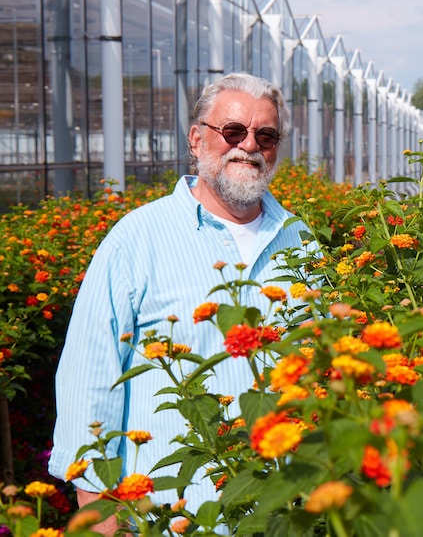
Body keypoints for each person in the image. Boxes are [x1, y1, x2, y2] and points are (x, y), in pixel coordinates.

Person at [48, 73, 312, 522]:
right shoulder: (136, 239)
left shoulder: (300, 240)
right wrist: (101, 520)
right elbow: (88, 381)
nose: (248, 146)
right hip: (173, 517)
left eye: (265, 136)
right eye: (233, 131)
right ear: (196, 139)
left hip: (283, 512)